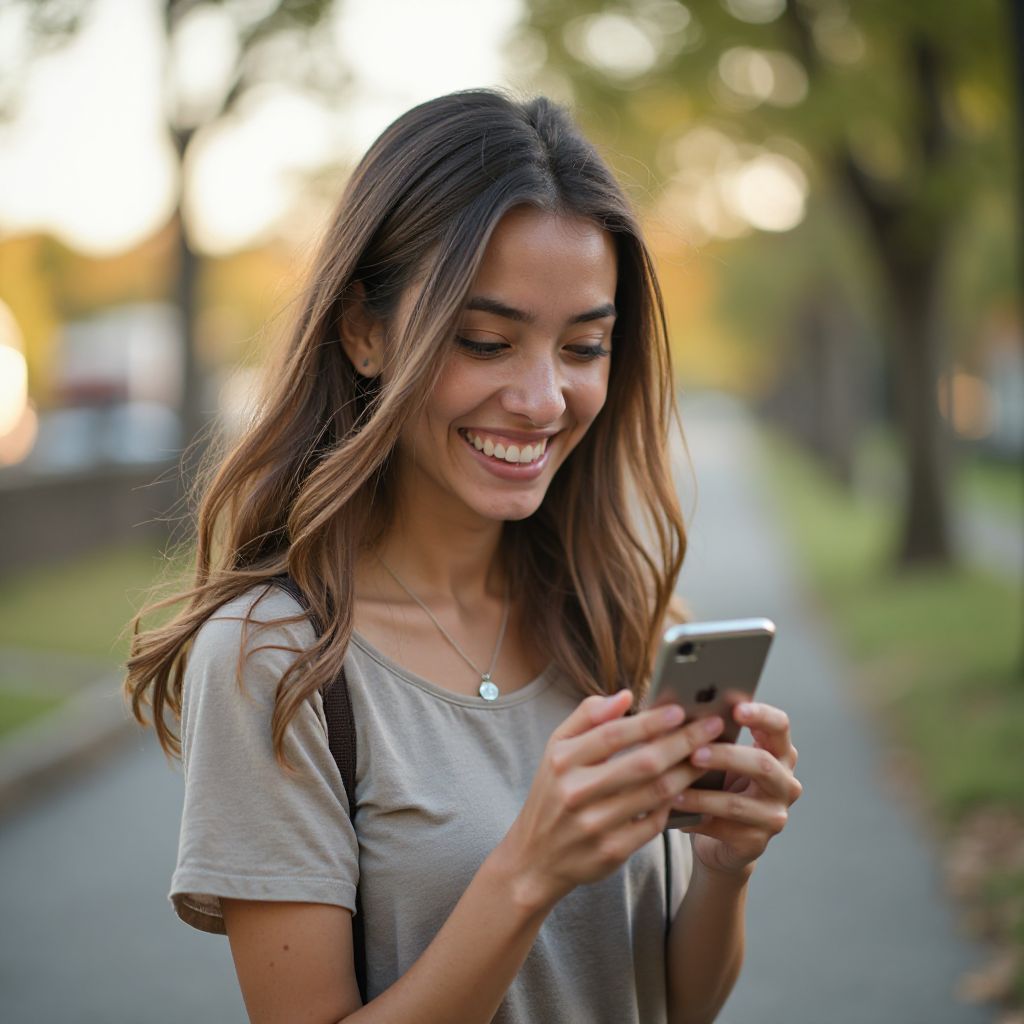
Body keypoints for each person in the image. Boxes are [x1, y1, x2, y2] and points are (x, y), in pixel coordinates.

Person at [124, 89, 802, 1024]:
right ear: (364, 332)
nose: (543, 399)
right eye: (486, 342)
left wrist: (726, 868)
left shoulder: (607, 614)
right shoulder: (273, 658)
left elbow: (674, 1001)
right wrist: (528, 870)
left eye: (585, 347)